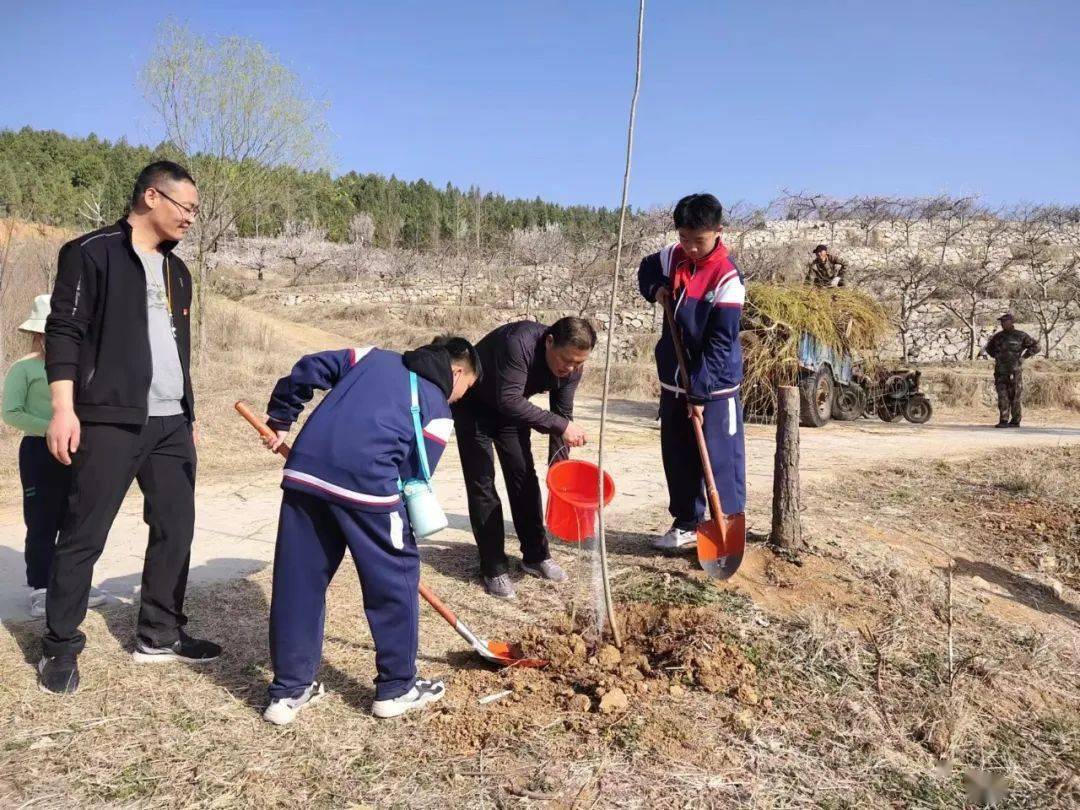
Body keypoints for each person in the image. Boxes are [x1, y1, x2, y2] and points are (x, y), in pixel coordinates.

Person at [38, 161, 218, 695]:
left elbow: (175, 350)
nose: (191, 219)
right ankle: (60, 645)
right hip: (108, 418)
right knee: (84, 533)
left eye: (195, 211)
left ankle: (160, 633)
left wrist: (189, 411)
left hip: (170, 423)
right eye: (186, 207)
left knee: (176, 527)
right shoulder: (91, 252)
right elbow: (64, 332)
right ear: (150, 197)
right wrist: (63, 409)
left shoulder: (177, 271)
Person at [258, 336, 479, 724]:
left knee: (299, 582)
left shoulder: (370, 357)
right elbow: (413, 479)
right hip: (369, 490)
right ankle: (397, 689)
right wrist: (401, 535)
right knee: (396, 581)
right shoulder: (437, 408)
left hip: (306, 475)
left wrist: (281, 417)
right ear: (457, 371)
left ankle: (287, 693)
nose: (460, 396)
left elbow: (311, 366)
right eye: (466, 388)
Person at [452, 317, 595, 599]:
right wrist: (561, 426)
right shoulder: (519, 344)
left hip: (511, 415)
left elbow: (562, 414)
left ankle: (536, 556)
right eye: (566, 360)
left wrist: (560, 468)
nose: (569, 368)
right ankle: (493, 567)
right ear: (550, 341)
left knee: (524, 479)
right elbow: (509, 399)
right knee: (483, 486)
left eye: (578, 363)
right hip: (475, 410)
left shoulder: (571, 370)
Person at [637, 193, 746, 551]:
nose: (691, 248)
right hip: (674, 380)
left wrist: (699, 393)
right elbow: (646, 269)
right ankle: (686, 523)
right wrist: (657, 289)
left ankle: (725, 525)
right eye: (685, 239)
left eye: (698, 241)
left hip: (715, 386)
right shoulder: (672, 257)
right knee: (679, 456)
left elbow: (719, 346)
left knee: (719, 458)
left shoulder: (727, 278)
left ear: (717, 232)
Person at [3, 295, 106, 617]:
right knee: (42, 520)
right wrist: (51, 427)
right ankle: (41, 588)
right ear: (40, 333)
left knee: (75, 520)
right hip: (38, 452)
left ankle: (72, 586)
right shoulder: (23, 368)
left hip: (79, 450)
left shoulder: (80, 368)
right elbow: (11, 412)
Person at [983, 312, 1039, 428]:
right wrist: (999, 357)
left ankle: (1015, 421)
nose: (1002, 324)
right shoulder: (998, 337)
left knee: (1015, 396)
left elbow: (1036, 347)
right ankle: (1003, 420)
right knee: (1002, 396)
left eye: (1005, 321)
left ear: (1011, 322)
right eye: (1001, 322)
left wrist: (1023, 357)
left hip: (1014, 371)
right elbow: (989, 349)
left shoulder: (1021, 335)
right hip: (1000, 372)